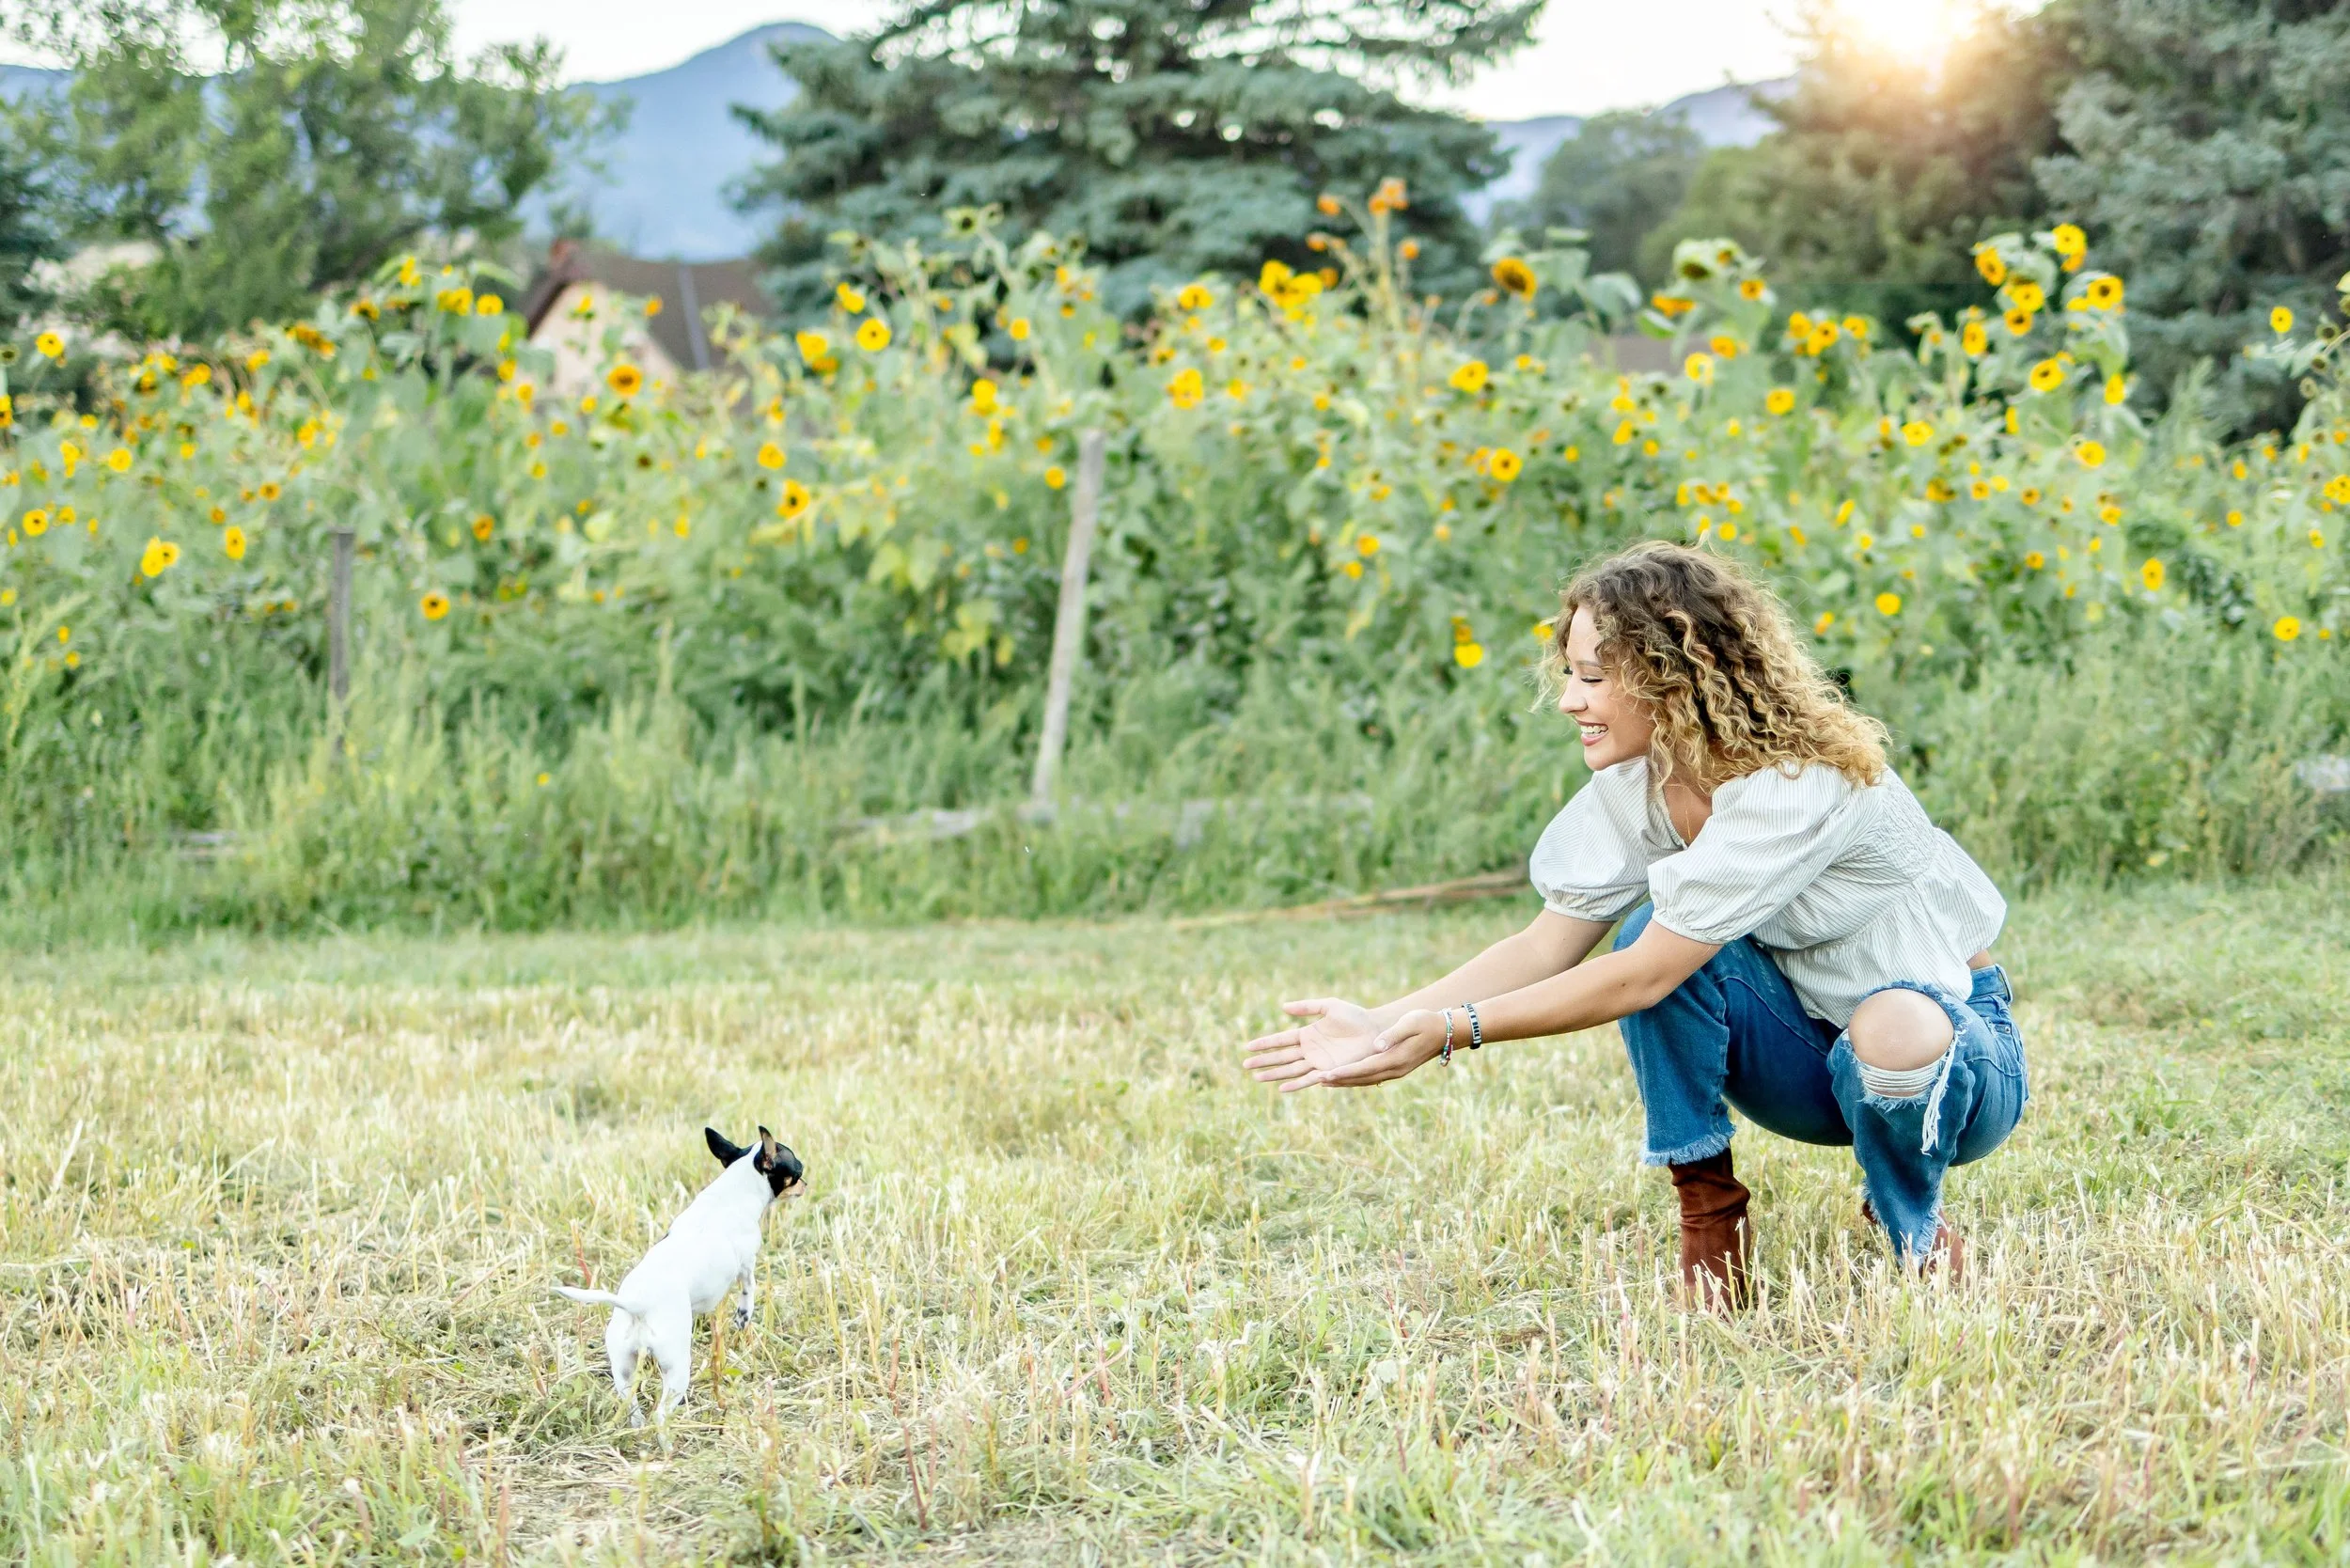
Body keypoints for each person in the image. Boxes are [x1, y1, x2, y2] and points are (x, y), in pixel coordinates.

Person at [1241, 541, 2027, 1307]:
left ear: (1673, 676)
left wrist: (1455, 1030)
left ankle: (1908, 1217)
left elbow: (1643, 976)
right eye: (1569, 674)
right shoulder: (1647, 780)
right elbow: (1545, 943)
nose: (1568, 700)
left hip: (1956, 1066)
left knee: (1884, 1018)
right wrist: (1384, 1023)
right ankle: (1711, 1215)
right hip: (1810, 1060)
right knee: (1654, 931)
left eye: (1592, 677)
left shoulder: (1799, 784)